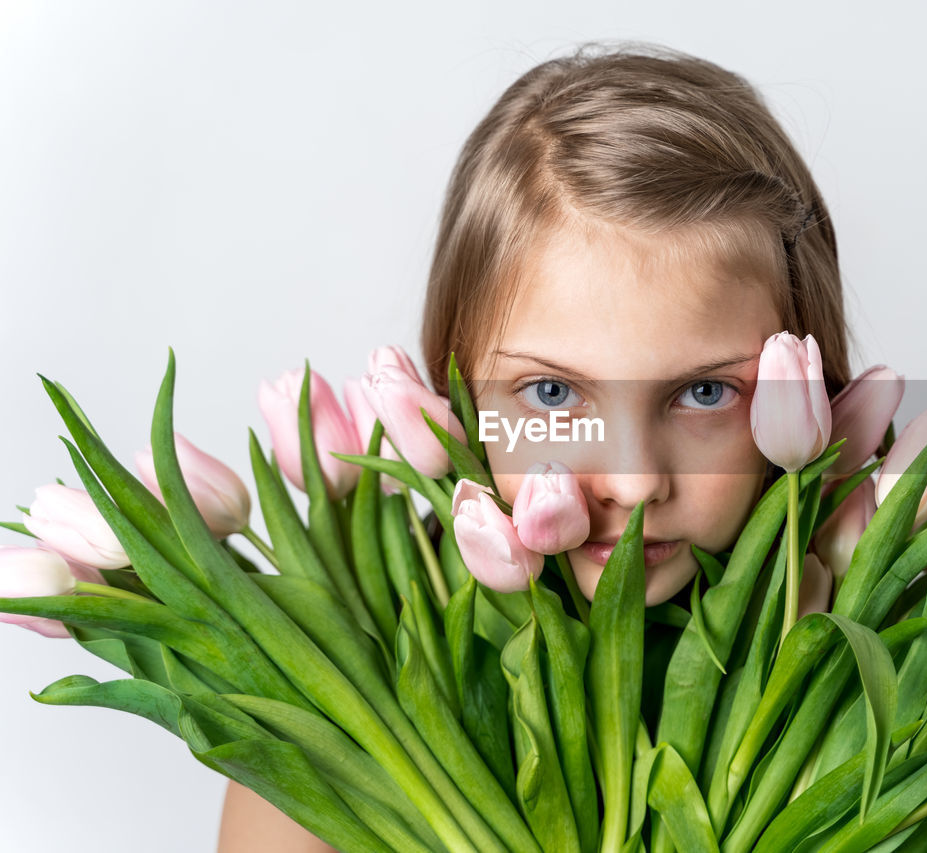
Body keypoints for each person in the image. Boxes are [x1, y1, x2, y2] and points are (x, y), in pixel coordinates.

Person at [218, 39, 853, 852]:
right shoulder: (344, 690)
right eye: (552, 393)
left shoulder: (878, 665)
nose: (632, 480)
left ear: (809, 378)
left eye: (705, 392)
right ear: (455, 389)